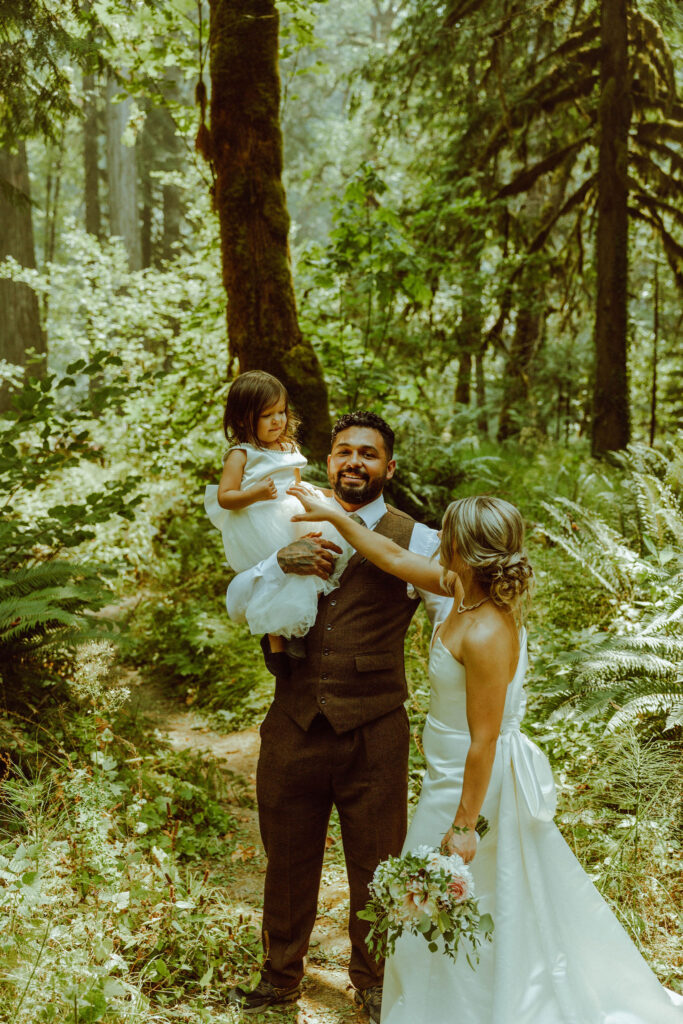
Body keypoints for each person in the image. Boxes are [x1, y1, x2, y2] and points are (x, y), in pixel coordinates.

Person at [288, 487, 683, 1024]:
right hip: (446, 773)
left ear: (462, 546)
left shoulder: (488, 629)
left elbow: (486, 739)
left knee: (466, 897)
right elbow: (395, 556)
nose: (438, 539)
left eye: (447, 532)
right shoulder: (458, 589)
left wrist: (467, 825)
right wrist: (336, 515)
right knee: (440, 899)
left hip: (474, 782)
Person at [225, 411, 451, 1022]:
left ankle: (375, 979)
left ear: (389, 468)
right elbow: (236, 603)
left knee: (379, 863)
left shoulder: (418, 538)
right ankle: (280, 976)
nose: (354, 462)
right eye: (344, 452)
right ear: (328, 462)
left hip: (376, 728)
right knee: (287, 856)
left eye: (368, 454)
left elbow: (451, 621)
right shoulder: (283, 520)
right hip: (292, 721)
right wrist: (279, 562)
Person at [204, 370, 351, 652]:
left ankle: (305, 627)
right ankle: (277, 645)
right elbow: (225, 496)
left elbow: (294, 484)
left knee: (310, 568)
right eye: (267, 415)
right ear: (241, 418)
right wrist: (255, 493)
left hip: (290, 513)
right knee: (276, 580)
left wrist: (322, 495)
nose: (277, 420)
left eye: (281, 412)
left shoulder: (288, 447)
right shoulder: (241, 454)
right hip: (261, 521)